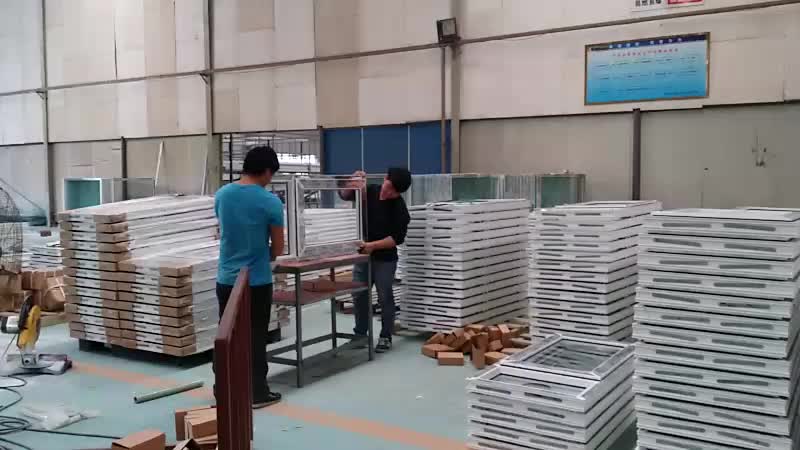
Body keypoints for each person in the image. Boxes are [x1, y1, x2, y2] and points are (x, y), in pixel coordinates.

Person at [215, 145, 284, 408]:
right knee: (255, 337)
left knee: (227, 336)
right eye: (271, 174)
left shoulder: (222, 195)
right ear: (266, 171)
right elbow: (278, 248)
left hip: (226, 279)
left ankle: (223, 389)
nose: (270, 180)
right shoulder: (270, 201)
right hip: (256, 281)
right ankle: (256, 392)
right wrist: (265, 253)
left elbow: (224, 231)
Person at [343, 168, 412, 353]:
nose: (388, 193)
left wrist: (372, 246)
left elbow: (397, 238)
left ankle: (385, 336)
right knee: (359, 295)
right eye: (388, 187)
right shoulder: (369, 191)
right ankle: (360, 335)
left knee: (384, 297)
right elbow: (345, 195)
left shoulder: (399, 208)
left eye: (394, 192)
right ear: (385, 178)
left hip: (385, 260)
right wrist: (353, 181)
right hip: (363, 256)